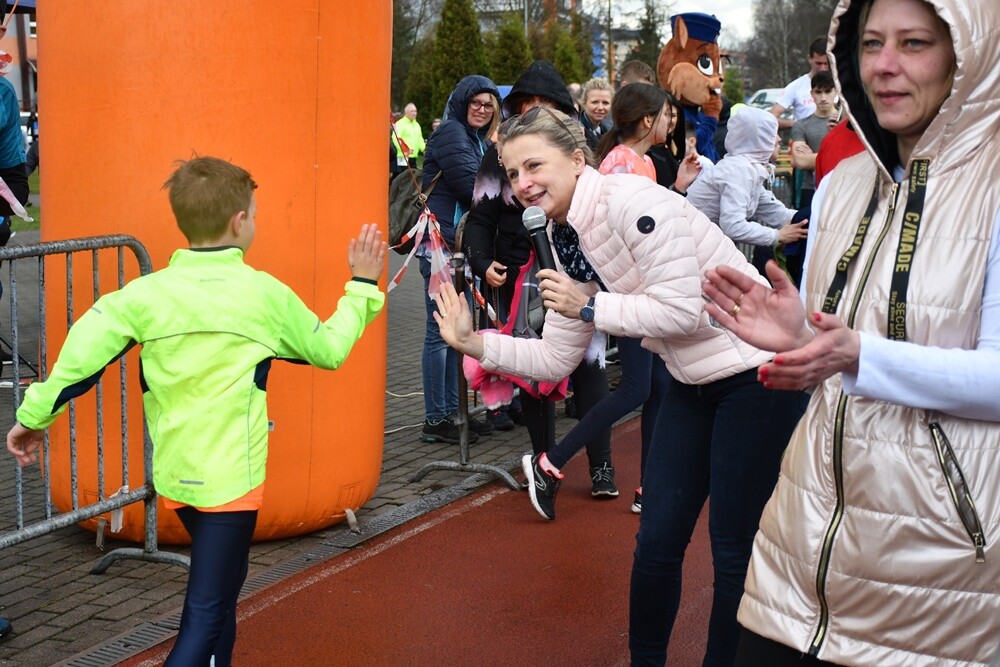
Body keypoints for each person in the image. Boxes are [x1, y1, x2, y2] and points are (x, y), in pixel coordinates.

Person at [433, 107, 807, 665]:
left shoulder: (634, 203)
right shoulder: (560, 237)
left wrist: (591, 305)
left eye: (534, 164)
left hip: (754, 375)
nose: (523, 183)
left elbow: (682, 311)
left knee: (733, 551)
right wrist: (474, 343)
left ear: (578, 160)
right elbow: (556, 356)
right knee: (656, 542)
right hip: (689, 381)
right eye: (512, 173)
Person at [702, 0, 1000, 664]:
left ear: (967, 54)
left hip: (939, 574)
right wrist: (798, 333)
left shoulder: (995, 184)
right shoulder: (840, 183)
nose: (886, 67)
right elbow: (833, 337)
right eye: (871, 44)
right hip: (800, 547)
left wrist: (860, 355)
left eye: (915, 42)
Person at [5, 156, 386, 665]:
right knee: (206, 613)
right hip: (233, 482)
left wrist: (32, 419)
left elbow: (78, 360)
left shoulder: (145, 295)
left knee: (223, 597)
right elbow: (331, 349)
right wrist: (361, 285)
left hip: (179, 477)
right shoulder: (264, 295)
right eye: (254, 211)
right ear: (239, 221)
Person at [463, 61, 613, 485]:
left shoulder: (577, 150)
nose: (533, 111)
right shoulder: (500, 153)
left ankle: (601, 465)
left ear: (563, 110)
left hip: (575, 271)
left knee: (590, 366)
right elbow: (480, 216)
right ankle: (544, 462)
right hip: (517, 277)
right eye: (526, 104)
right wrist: (479, 260)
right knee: (533, 374)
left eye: (544, 104)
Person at [418, 74, 501, 444]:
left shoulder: (474, 137)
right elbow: (475, 190)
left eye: (489, 105)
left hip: (456, 248)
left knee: (457, 330)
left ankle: (455, 411)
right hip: (440, 246)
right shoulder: (452, 132)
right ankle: (438, 418)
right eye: (476, 103)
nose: (482, 110)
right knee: (440, 333)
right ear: (462, 102)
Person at [686, 106, 809, 253]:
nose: (779, 139)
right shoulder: (739, 170)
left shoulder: (746, 168)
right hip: (690, 243)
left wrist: (813, 217)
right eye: (771, 134)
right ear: (757, 139)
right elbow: (733, 226)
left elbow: (776, 212)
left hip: (699, 242)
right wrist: (777, 235)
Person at [789, 71, 837, 209]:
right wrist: (836, 156)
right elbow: (801, 162)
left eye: (828, 92)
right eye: (818, 92)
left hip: (841, 186)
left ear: (836, 92)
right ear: (812, 94)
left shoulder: (846, 122)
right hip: (811, 188)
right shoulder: (802, 125)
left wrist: (814, 157)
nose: (823, 98)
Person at [770, 37, 830, 130]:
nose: (822, 68)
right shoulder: (796, 87)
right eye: (818, 63)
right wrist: (797, 125)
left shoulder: (842, 85)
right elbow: (770, 117)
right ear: (809, 59)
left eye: (826, 63)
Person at [578, 77, 613, 151]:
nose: (600, 107)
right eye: (595, 102)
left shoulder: (608, 131)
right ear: (584, 103)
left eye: (605, 103)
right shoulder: (576, 131)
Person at [393, 102, 425, 169]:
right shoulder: (400, 124)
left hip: (414, 157)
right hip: (403, 157)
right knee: (403, 177)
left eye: (415, 111)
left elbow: (420, 139)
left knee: (412, 177)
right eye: (412, 111)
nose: (414, 113)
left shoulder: (417, 125)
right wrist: (405, 149)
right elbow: (396, 138)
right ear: (406, 113)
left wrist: (424, 149)